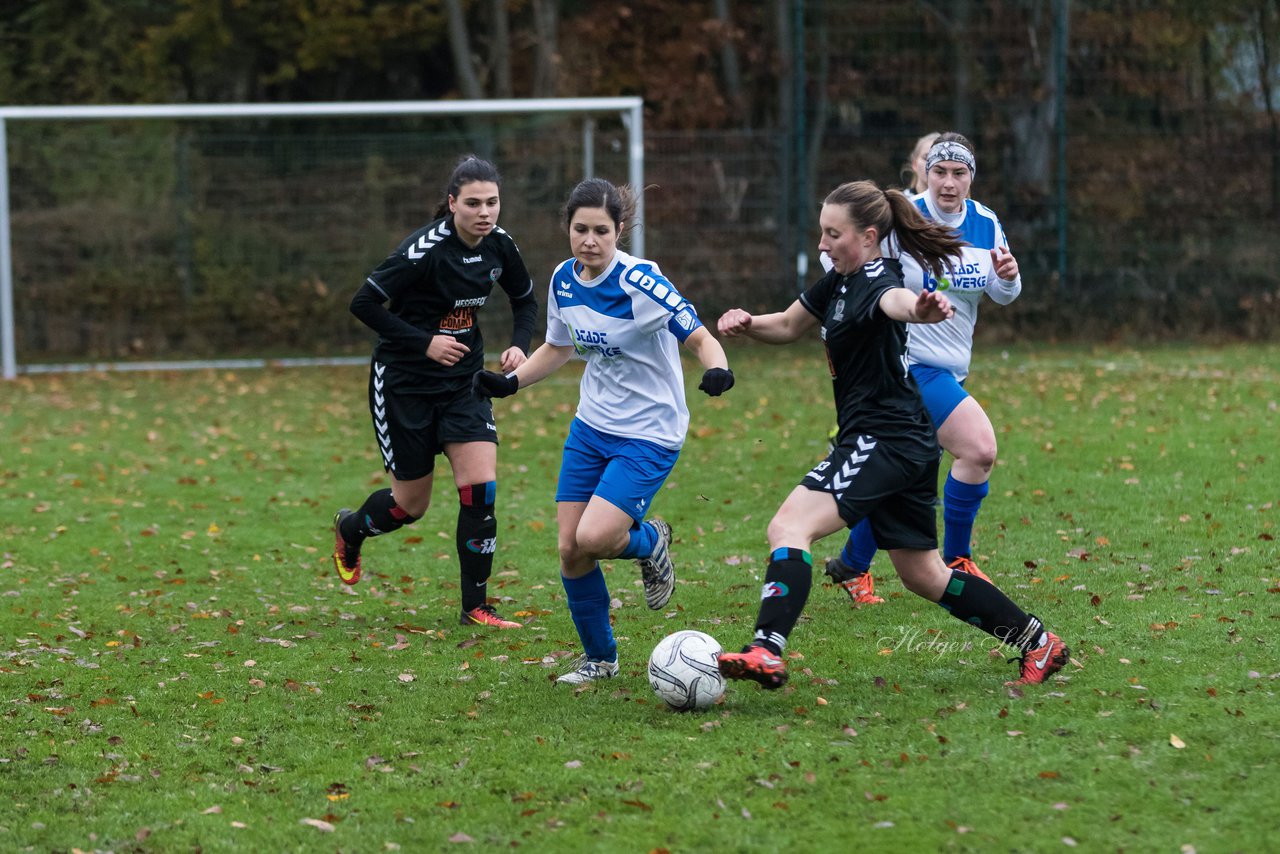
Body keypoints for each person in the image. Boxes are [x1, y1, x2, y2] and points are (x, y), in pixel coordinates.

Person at [715, 179, 1068, 689]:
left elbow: (898, 303)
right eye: (821, 233)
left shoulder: (878, 280)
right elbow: (791, 325)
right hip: (905, 438)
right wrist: (749, 323)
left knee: (788, 527)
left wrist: (921, 310)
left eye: (833, 234)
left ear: (868, 236)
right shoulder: (838, 280)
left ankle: (767, 648)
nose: (822, 244)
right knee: (924, 575)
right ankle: (1038, 641)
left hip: (881, 439)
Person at [473, 177, 735, 685]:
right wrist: (510, 383)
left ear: (619, 232)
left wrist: (717, 367)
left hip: (650, 431)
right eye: (580, 230)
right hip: (592, 427)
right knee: (571, 548)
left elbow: (698, 335)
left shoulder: (643, 280)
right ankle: (601, 658)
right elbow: (557, 347)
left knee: (596, 537)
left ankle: (650, 542)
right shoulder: (563, 280)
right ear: (568, 230)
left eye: (600, 231)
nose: (589, 240)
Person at [331, 155, 538, 630]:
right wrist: (424, 342)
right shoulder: (423, 251)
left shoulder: (500, 246)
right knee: (409, 505)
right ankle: (350, 528)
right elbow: (363, 304)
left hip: (464, 384)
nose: (485, 212)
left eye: (492, 202)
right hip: (404, 384)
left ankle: (476, 607)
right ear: (452, 204)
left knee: (480, 488)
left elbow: (524, 299)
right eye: (473, 203)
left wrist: (517, 346)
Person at [824, 132, 1022, 606]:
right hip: (907, 367)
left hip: (950, 369)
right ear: (924, 172)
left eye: (959, 173)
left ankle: (852, 563)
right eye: (940, 172)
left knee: (904, 478)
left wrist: (1009, 277)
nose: (949, 182)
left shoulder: (985, 222)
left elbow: (1002, 293)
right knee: (978, 449)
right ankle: (958, 559)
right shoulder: (900, 217)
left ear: (972, 177)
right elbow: (837, 254)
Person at [901, 130, 941, 196]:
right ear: (915, 164)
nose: (932, 164)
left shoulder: (960, 204)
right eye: (926, 158)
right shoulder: (899, 203)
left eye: (939, 158)